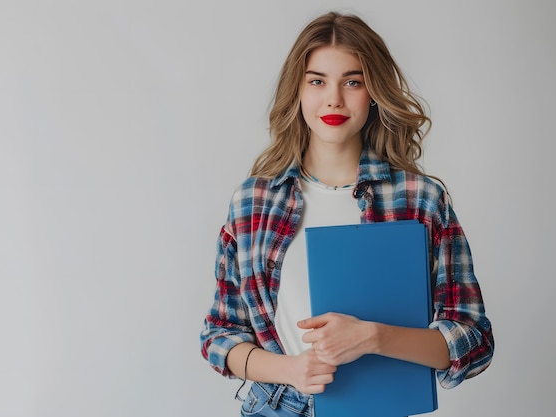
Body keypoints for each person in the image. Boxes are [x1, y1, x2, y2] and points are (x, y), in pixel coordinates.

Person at [200, 11, 494, 417]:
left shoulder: (421, 199)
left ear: (373, 91)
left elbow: (473, 339)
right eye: (317, 81)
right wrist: (292, 370)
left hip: (379, 408)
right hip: (274, 408)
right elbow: (220, 335)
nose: (334, 98)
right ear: (298, 91)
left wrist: (374, 337)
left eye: (352, 81)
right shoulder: (253, 201)